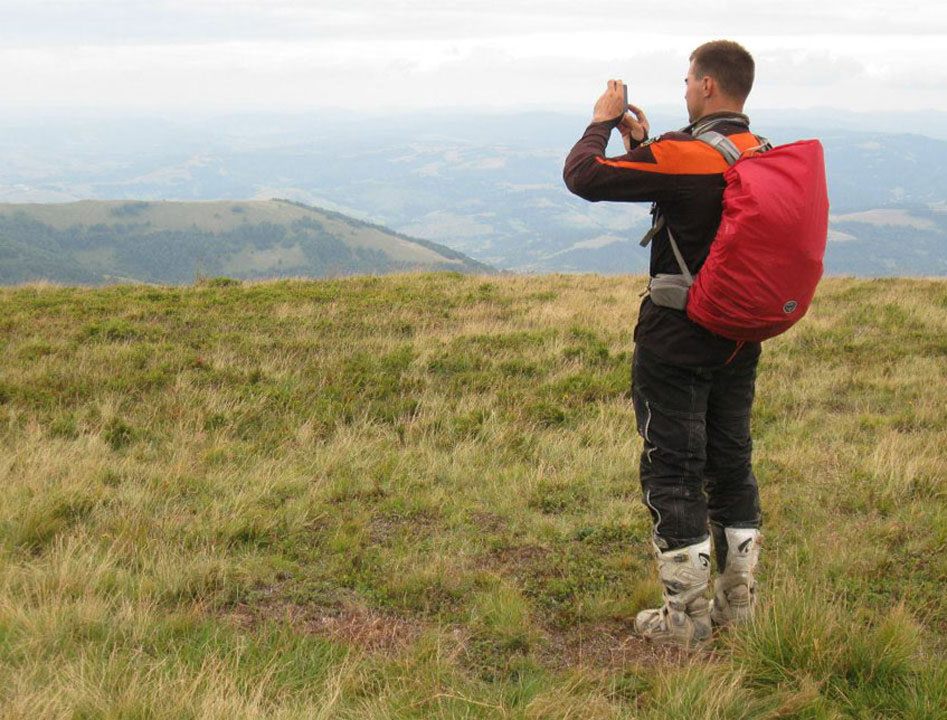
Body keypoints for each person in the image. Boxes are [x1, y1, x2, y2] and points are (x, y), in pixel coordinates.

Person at [562, 40, 765, 647]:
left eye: (687, 81)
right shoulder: (760, 154)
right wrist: (644, 143)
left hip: (676, 337)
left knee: (673, 469)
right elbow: (694, 202)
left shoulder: (686, 156)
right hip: (739, 336)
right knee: (731, 461)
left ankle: (685, 619)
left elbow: (583, 177)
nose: (684, 89)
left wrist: (602, 121)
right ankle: (738, 603)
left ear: (706, 86)